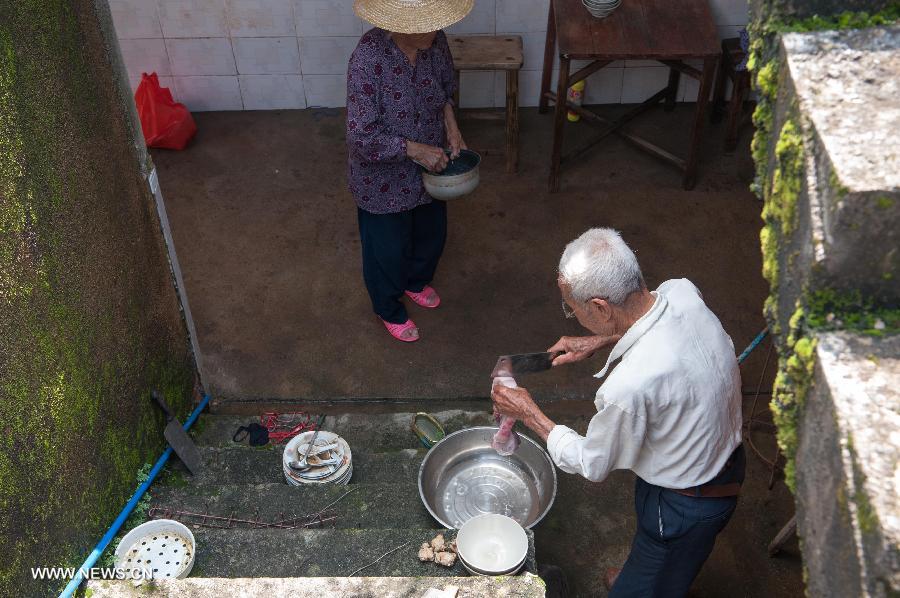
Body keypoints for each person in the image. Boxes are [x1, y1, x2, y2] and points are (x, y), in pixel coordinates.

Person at [491, 228, 745, 597]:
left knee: (651, 580)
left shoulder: (628, 388)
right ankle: (644, 569)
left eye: (572, 308)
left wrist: (529, 413)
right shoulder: (681, 290)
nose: (572, 316)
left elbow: (593, 463)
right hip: (720, 456)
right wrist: (606, 337)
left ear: (600, 308)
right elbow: (660, 323)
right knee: (653, 559)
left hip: (685, 504)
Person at [347, 0, 473, 342]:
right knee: (386, 249)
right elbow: (362, 137)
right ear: (400, 25)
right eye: (426, 25)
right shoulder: (368, 59)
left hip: (431, 164)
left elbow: (445, 90)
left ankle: (416, 281)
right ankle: (388, 307)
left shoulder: (436, 42)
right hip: (383, 177)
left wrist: (452, 128)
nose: (435, 31)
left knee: (431, 233)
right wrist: (414, 150)